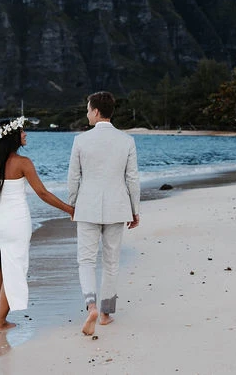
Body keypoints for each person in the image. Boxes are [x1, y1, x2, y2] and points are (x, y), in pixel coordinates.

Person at [0, 117, 74, 331]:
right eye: (22, 132)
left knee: (2, 263)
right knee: (14, 269)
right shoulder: (23, 163)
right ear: (12, 137)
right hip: (16, 223)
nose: (25, 134)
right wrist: (69, 209)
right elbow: (43, 193)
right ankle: (1, 322)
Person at [67, 91, 140, 336]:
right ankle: (106, 313)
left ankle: (91, 306)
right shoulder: (126, 141)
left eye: (88, 110)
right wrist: (135, 209)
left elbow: (73, 178)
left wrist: (72, 205)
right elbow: (132, 178)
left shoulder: (80, 140)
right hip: (118, 207)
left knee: (86, 260)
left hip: (87, 207)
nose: (87, 114)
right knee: (111, 261)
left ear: (96, 111)